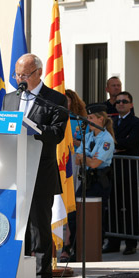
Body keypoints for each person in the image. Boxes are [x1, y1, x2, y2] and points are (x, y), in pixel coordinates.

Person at [1, 53, 68, 278]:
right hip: (12, 171)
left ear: (39, 73)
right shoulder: (9, 99)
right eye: (17, 75)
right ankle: (14, 272)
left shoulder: (56, 99)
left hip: (41, 171)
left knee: (40, 226)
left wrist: (33, 129)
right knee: (14, 225)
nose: (19, 79)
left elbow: (57, 133)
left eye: (24, 75)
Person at [102, 91, 139, 255]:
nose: (120, 104)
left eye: (124, 101)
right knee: (113, 206)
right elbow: (107, 141)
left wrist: (115, 144)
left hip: (129, 171)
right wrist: (116, 144)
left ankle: (130, 242)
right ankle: (113, 241)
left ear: (131, 104)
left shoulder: (137, 122)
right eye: (118, 101)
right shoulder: (111, 123)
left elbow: (130, 142)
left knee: (130, 207)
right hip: (113, 171)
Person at [75, 104, 115, 250]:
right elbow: (77, 159)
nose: (88, 120)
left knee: (95, 216)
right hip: (87, 180)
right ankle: (80, 246)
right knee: (77, 213)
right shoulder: (88, 136)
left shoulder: (106, 140)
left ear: (100, 119)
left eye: (91, 118)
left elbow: (94, 164)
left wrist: (84, 157)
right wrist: (86, 158)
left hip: (99, 181)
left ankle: (94, 246)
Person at [60, 89, 86, 262]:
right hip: (58, 163)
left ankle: (67, 245)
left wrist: (76, 142)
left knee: (70, 205)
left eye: (67, 100)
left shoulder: (80, 121)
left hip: (73, 164)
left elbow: (86, 141)